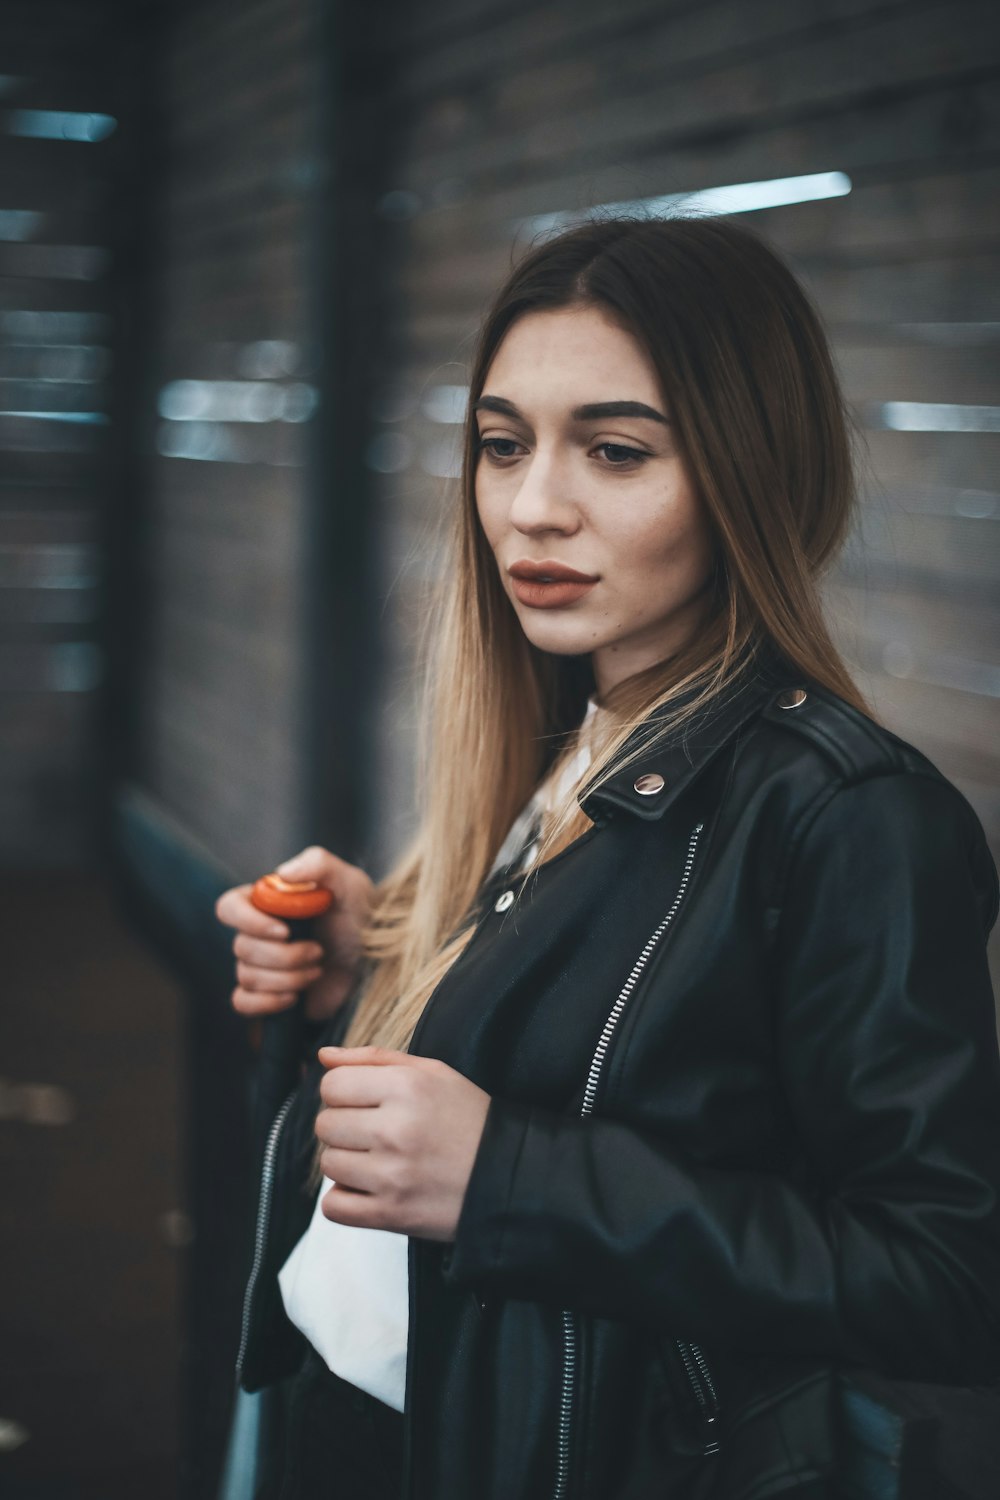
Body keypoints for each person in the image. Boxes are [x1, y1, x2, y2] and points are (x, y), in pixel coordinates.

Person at [215, 215, 1000, 1500]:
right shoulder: (560, 739)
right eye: (503, 445)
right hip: (362, 1428)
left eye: (617, 450)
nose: (532, 507)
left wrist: (508, 1178)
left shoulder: (847, 816)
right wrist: (371, 974)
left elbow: (942, 1282)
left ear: (752, 469)